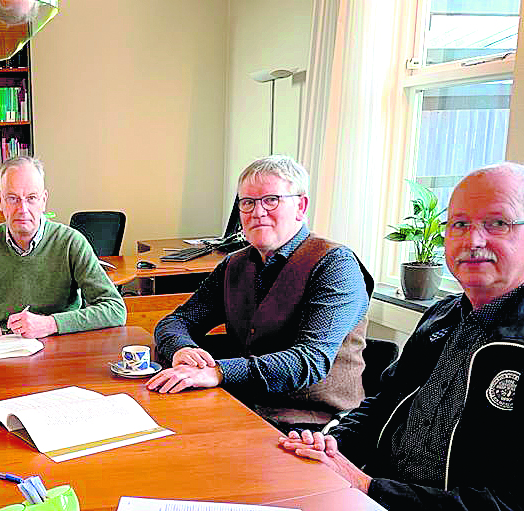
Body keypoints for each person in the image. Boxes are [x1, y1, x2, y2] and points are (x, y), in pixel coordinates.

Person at [280, 162, 524, 511]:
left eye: (497, 223)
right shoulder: (444, 314)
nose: (473, 241)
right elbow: (382, 403)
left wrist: (371, 490)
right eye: (459, 224)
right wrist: (332, 445)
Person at [147, 156, 372, 430]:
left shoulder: (335, 264)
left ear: (301, 206)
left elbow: (309, 361)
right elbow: (176, 321)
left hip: (313, 425)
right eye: (248, 202)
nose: (258, 212)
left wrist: (218, 371)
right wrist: (183, 349)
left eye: (271, 200)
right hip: (244, 408)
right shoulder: (234, 264)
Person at [0, 156, 126, 338]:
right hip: (1, 349)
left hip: (60, 348)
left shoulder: (71, 243)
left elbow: (115, 309)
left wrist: (51, 324)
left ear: (43, 200)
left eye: (31, 198)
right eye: (13, 199)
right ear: (0, 201)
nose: (23, 209)